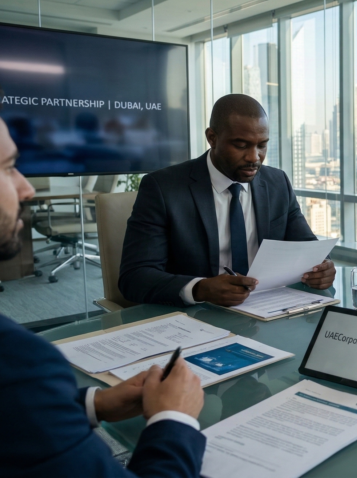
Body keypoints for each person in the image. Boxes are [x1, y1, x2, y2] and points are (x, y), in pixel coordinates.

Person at [0, 115, 207, 476]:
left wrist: (94, 403)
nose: (26, 188)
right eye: (8, 168)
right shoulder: (20, 363)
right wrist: (174, 420)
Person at [120, 94, 335, 307]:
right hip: (197, 316)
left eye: (262, 145)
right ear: (212, 138)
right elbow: (135, 277)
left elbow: (307, 248)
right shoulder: (163, 188)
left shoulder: (277, 182)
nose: (254, 157)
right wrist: (200, 288)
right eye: (241, 145)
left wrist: (321, 269)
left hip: (269, 307)